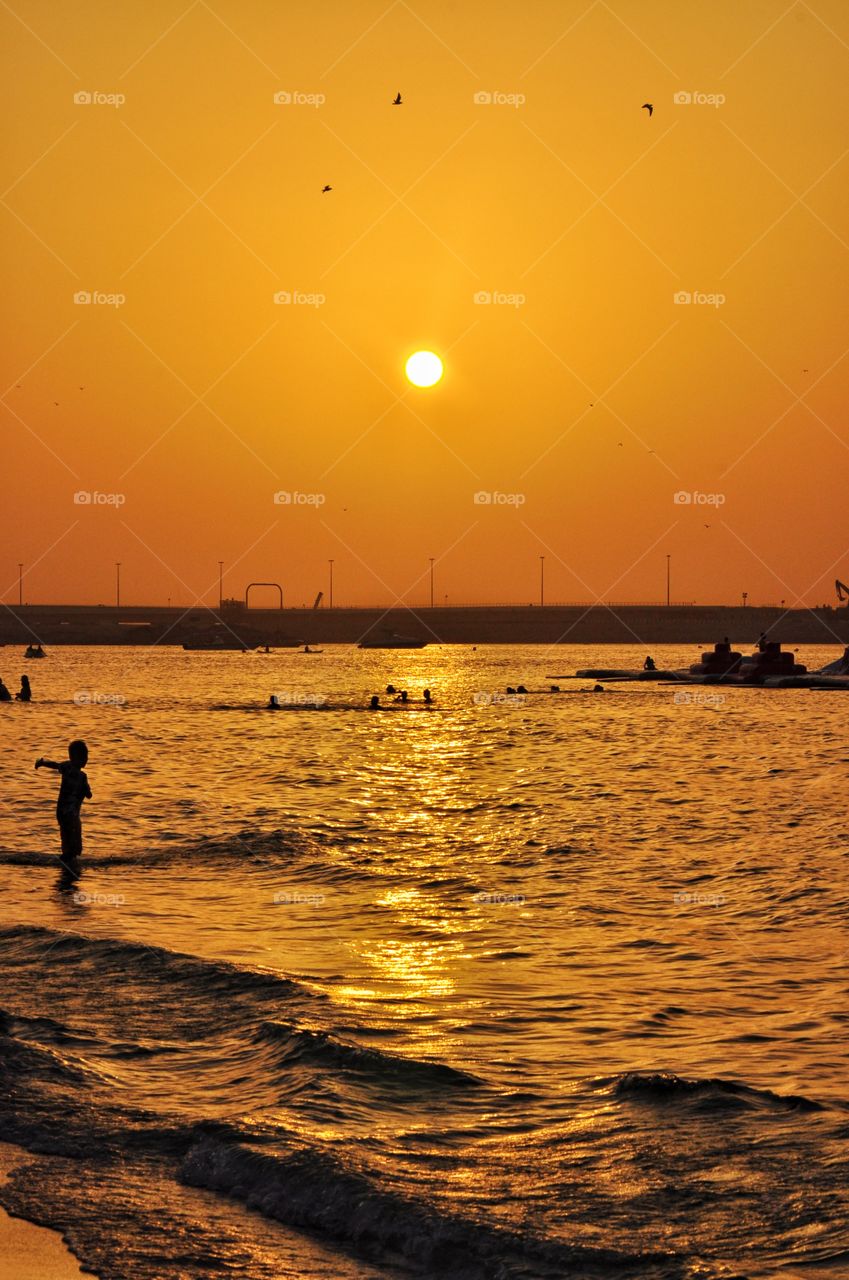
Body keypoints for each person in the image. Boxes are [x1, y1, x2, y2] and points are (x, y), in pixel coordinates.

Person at [35, 740, 92, 863]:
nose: (85, 759)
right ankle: (66, 860)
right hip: (69, 814)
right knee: (73, 843)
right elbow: (89, 795)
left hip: (65, 813)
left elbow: (54, 765)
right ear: (73, 757)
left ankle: (67, 859)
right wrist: (43, 763)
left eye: (86, 756)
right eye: (82, 756)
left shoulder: (68, 768)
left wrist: (42, 763)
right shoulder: (79, 775)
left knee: (71, 843)